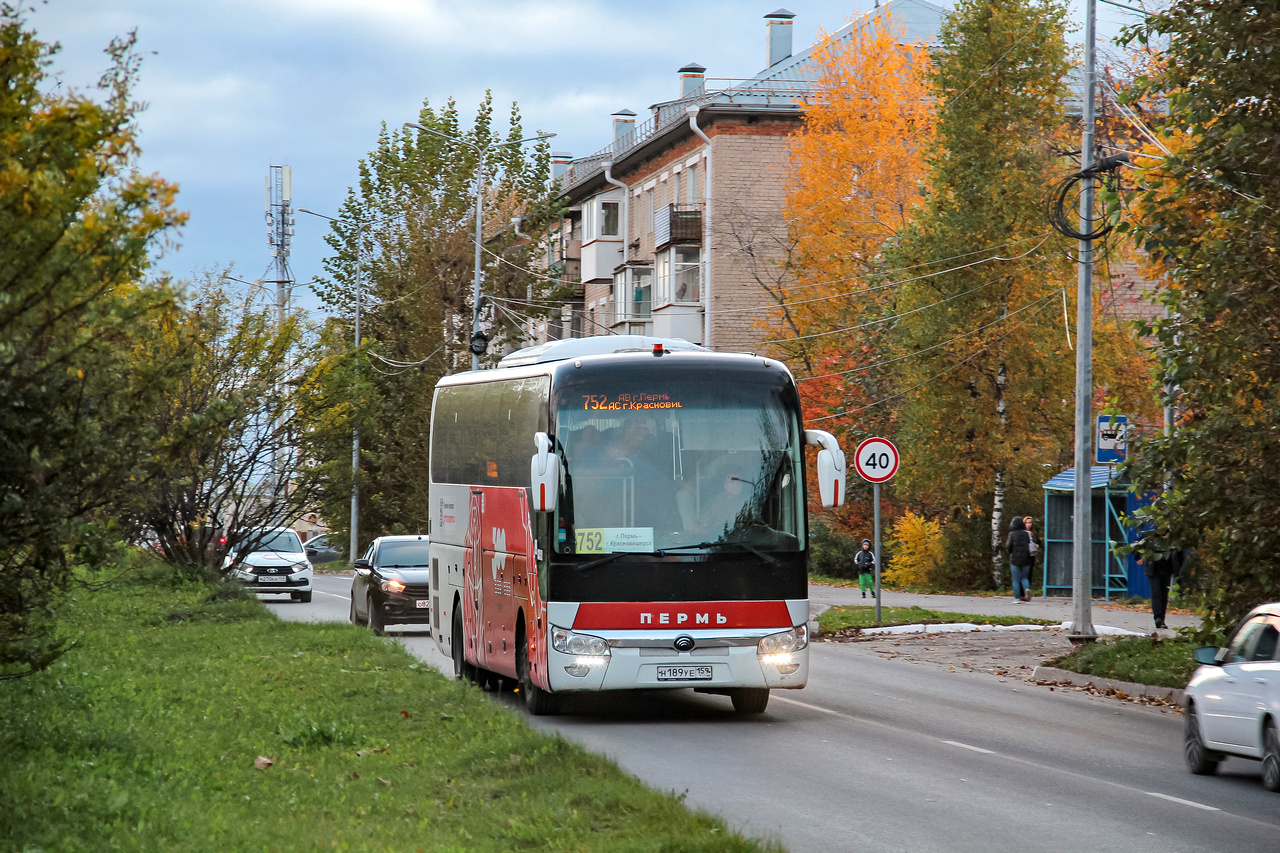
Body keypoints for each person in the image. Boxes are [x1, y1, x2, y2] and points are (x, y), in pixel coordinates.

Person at [1138, 530, 1184, 630]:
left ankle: (1162, 619)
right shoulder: (1149, 535)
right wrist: (1138, 558)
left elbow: (1180, 552)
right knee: (1156, 592)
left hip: (1168, 569)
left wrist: (1178, 567)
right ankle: (1158, 618)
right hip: (1153, 569)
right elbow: (1136, 545)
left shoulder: (1173, 537)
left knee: (1164, 594)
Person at [1006, 516, 1032, 604]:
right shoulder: (1026, 534)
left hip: (1015, 559)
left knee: (1016, 579)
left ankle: (1017, 598)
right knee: (1024, 577)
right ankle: (1027, 588)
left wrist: (1010, 553)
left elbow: (1009, 546)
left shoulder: (1012, 534)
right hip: (1026, 558)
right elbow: (1029, 544)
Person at [1023, 515, 1039, 600]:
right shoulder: (1022, 533)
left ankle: (1027, 589)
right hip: (1023, 556)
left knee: (1029, 574)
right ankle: (1023, 590)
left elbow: (1039, 542)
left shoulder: (1034, 533)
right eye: (1027, 522)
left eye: (1030, 522)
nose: (1029, 524)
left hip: (1031, 556)